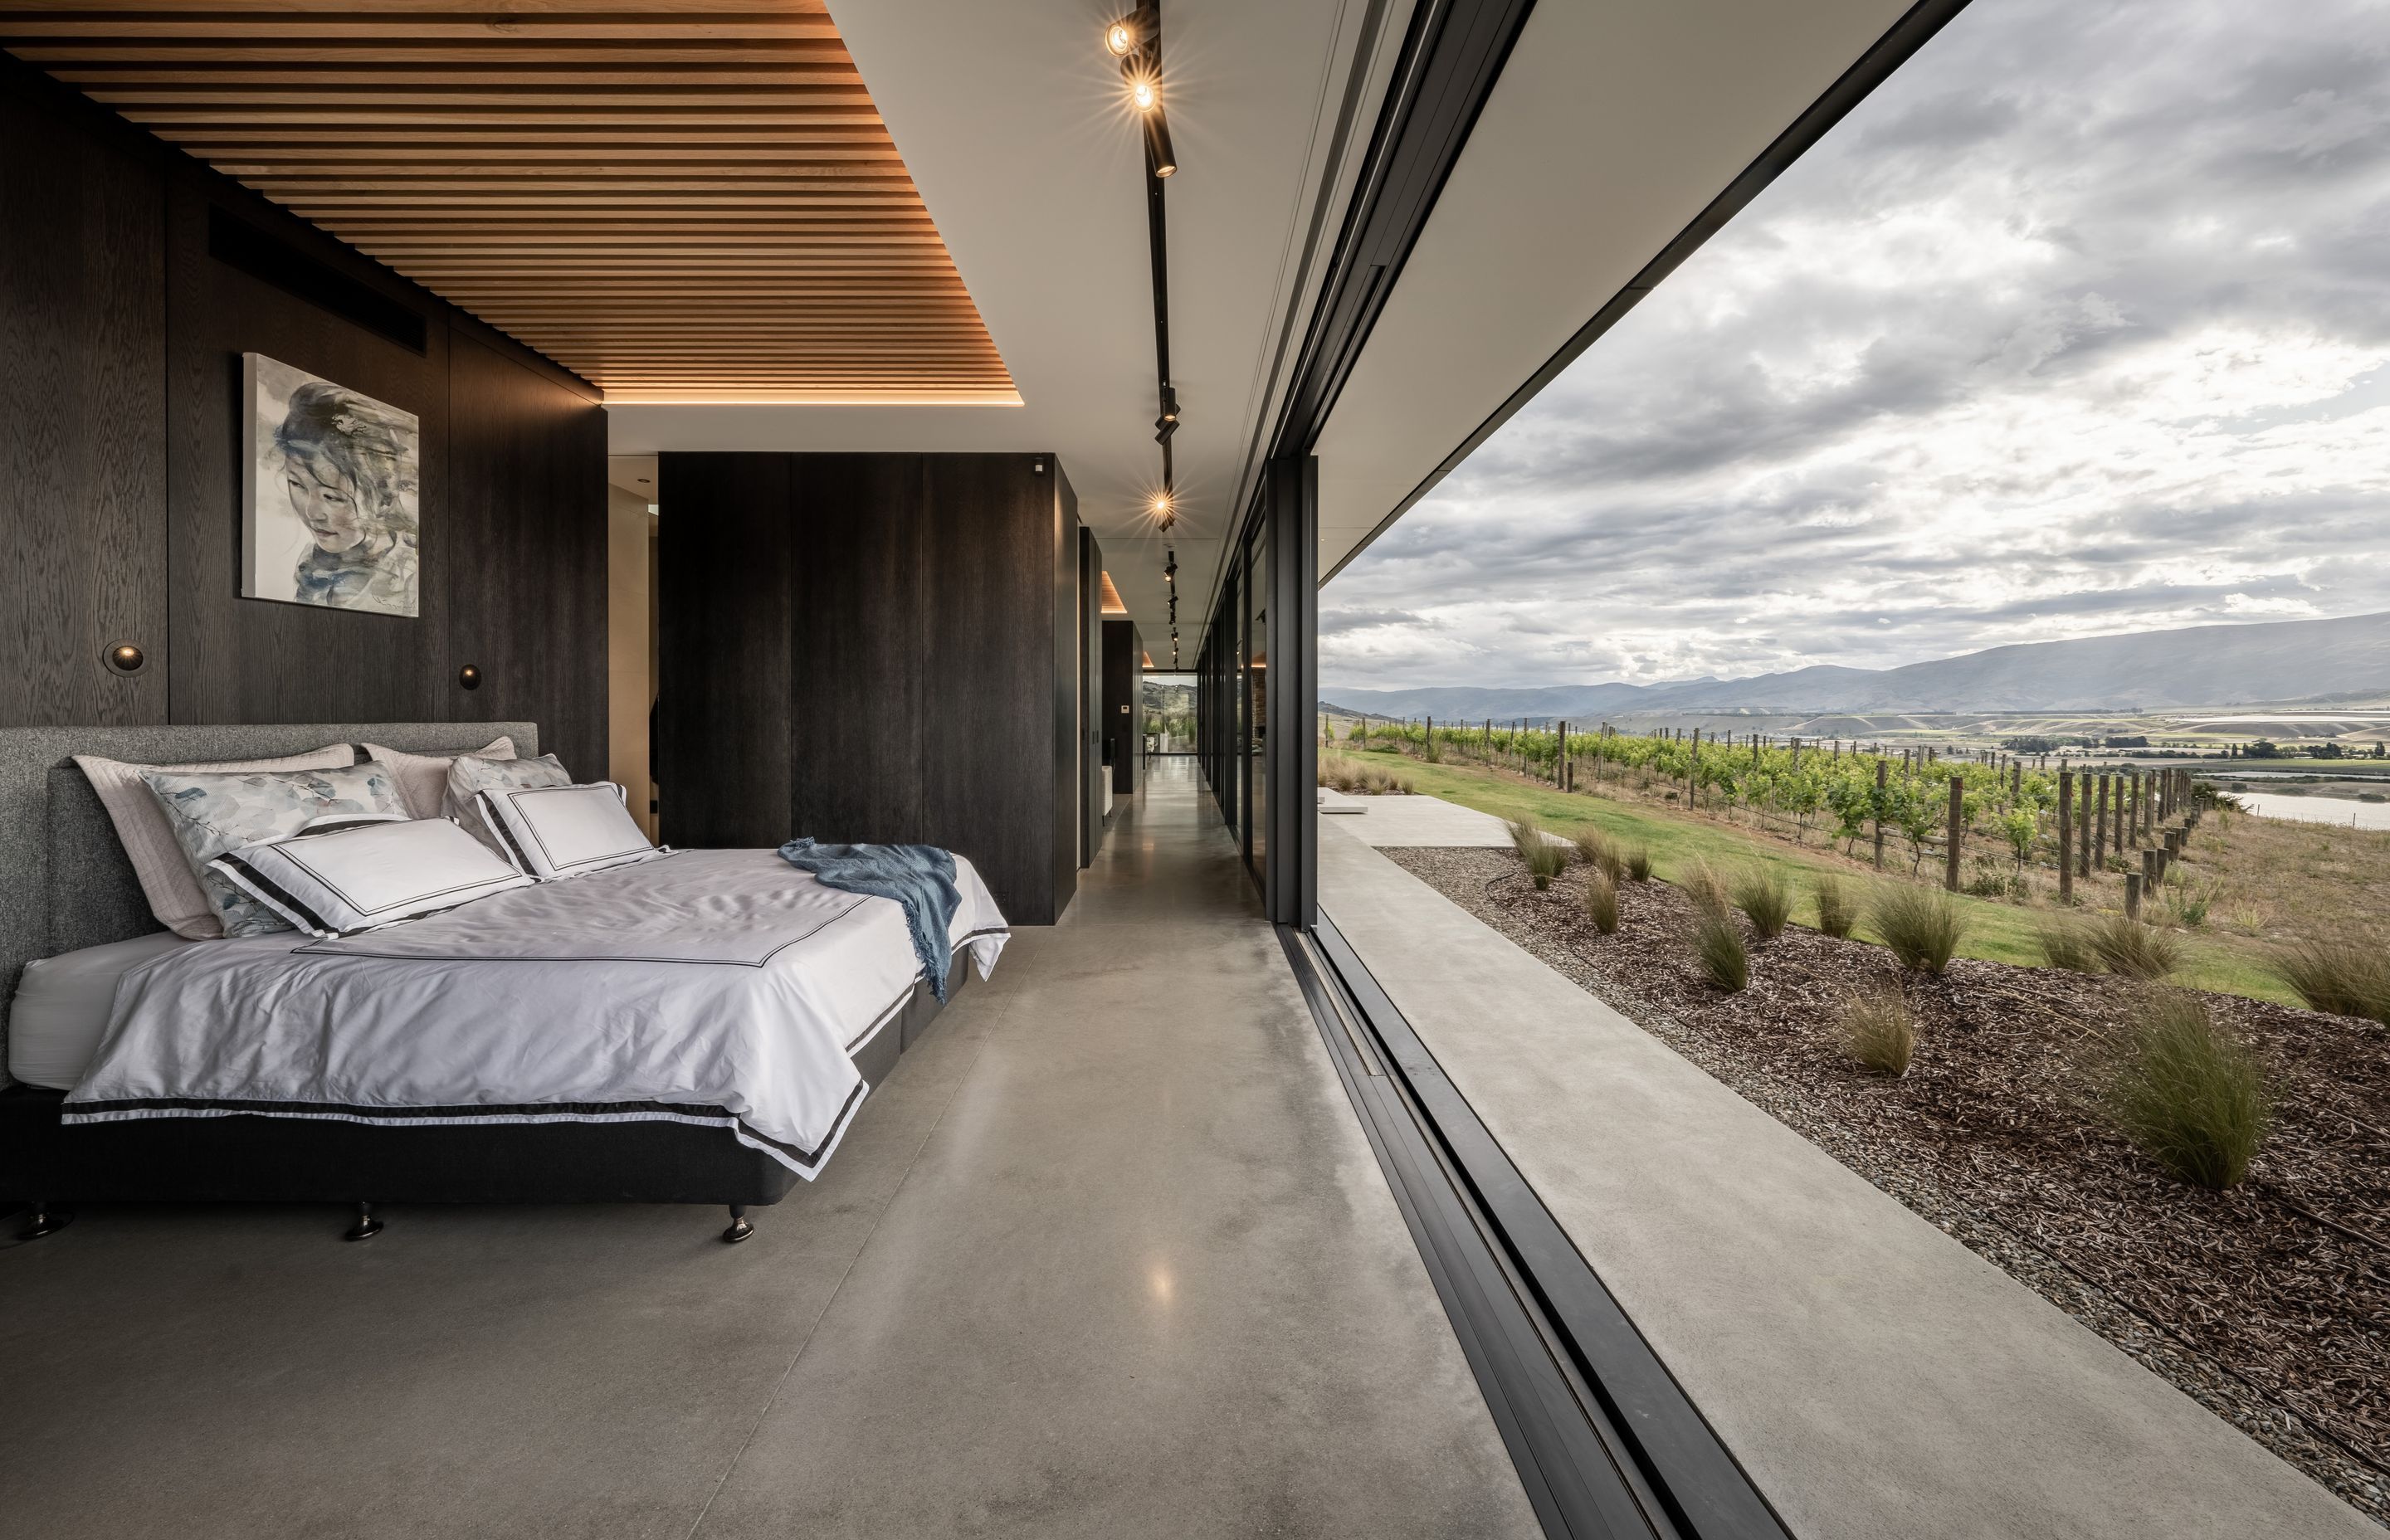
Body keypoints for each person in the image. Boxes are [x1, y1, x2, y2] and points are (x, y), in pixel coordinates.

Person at [273, 380, 419, 614]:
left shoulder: (409, 574)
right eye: (297, 484)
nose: (312, 513)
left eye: (332, 497)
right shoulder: (313, 561)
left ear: (384, 498)